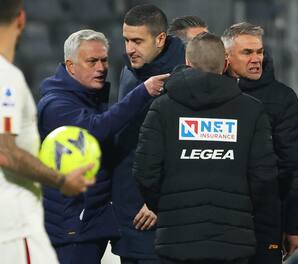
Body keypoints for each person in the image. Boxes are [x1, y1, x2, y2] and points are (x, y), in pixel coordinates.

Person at [133, 32, 280, 264]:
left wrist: (168, 206)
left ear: (188, 63)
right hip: (233, 242)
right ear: (225, 65)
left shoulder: (162, 108)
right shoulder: (252, 110)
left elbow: (144, 172)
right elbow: (265, 177)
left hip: (177, 240)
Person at [37, 29, 165, 264]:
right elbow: (94, 130)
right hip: (72, 228)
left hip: (89, 224)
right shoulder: (57, 104)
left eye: (104, 60)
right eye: (92, 61)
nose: (101, 67)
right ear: (70, 65)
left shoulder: (87, 98)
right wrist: (142, 92)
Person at [0, 1, 94, 263]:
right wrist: (62, 181)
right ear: (20, 18)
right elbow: (5, 152)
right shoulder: (6, 77)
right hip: (13, 228)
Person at [222, 22, 298, 263]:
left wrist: (293, 225)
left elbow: (296, 165)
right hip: (220, 221)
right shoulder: (211, 95)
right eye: (247, 52)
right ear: (226, 57)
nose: (256, 58)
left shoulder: (282, 98)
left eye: (259, 51)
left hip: (266, 219)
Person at [112, 4, 185, 263]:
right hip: (128, 213)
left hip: (159, 218)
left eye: (137, 41)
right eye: (126, 40)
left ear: (160, 38)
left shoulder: (184, 77)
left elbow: (187, 147)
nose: (129, 48)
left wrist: (158, 201)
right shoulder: (130, 71)